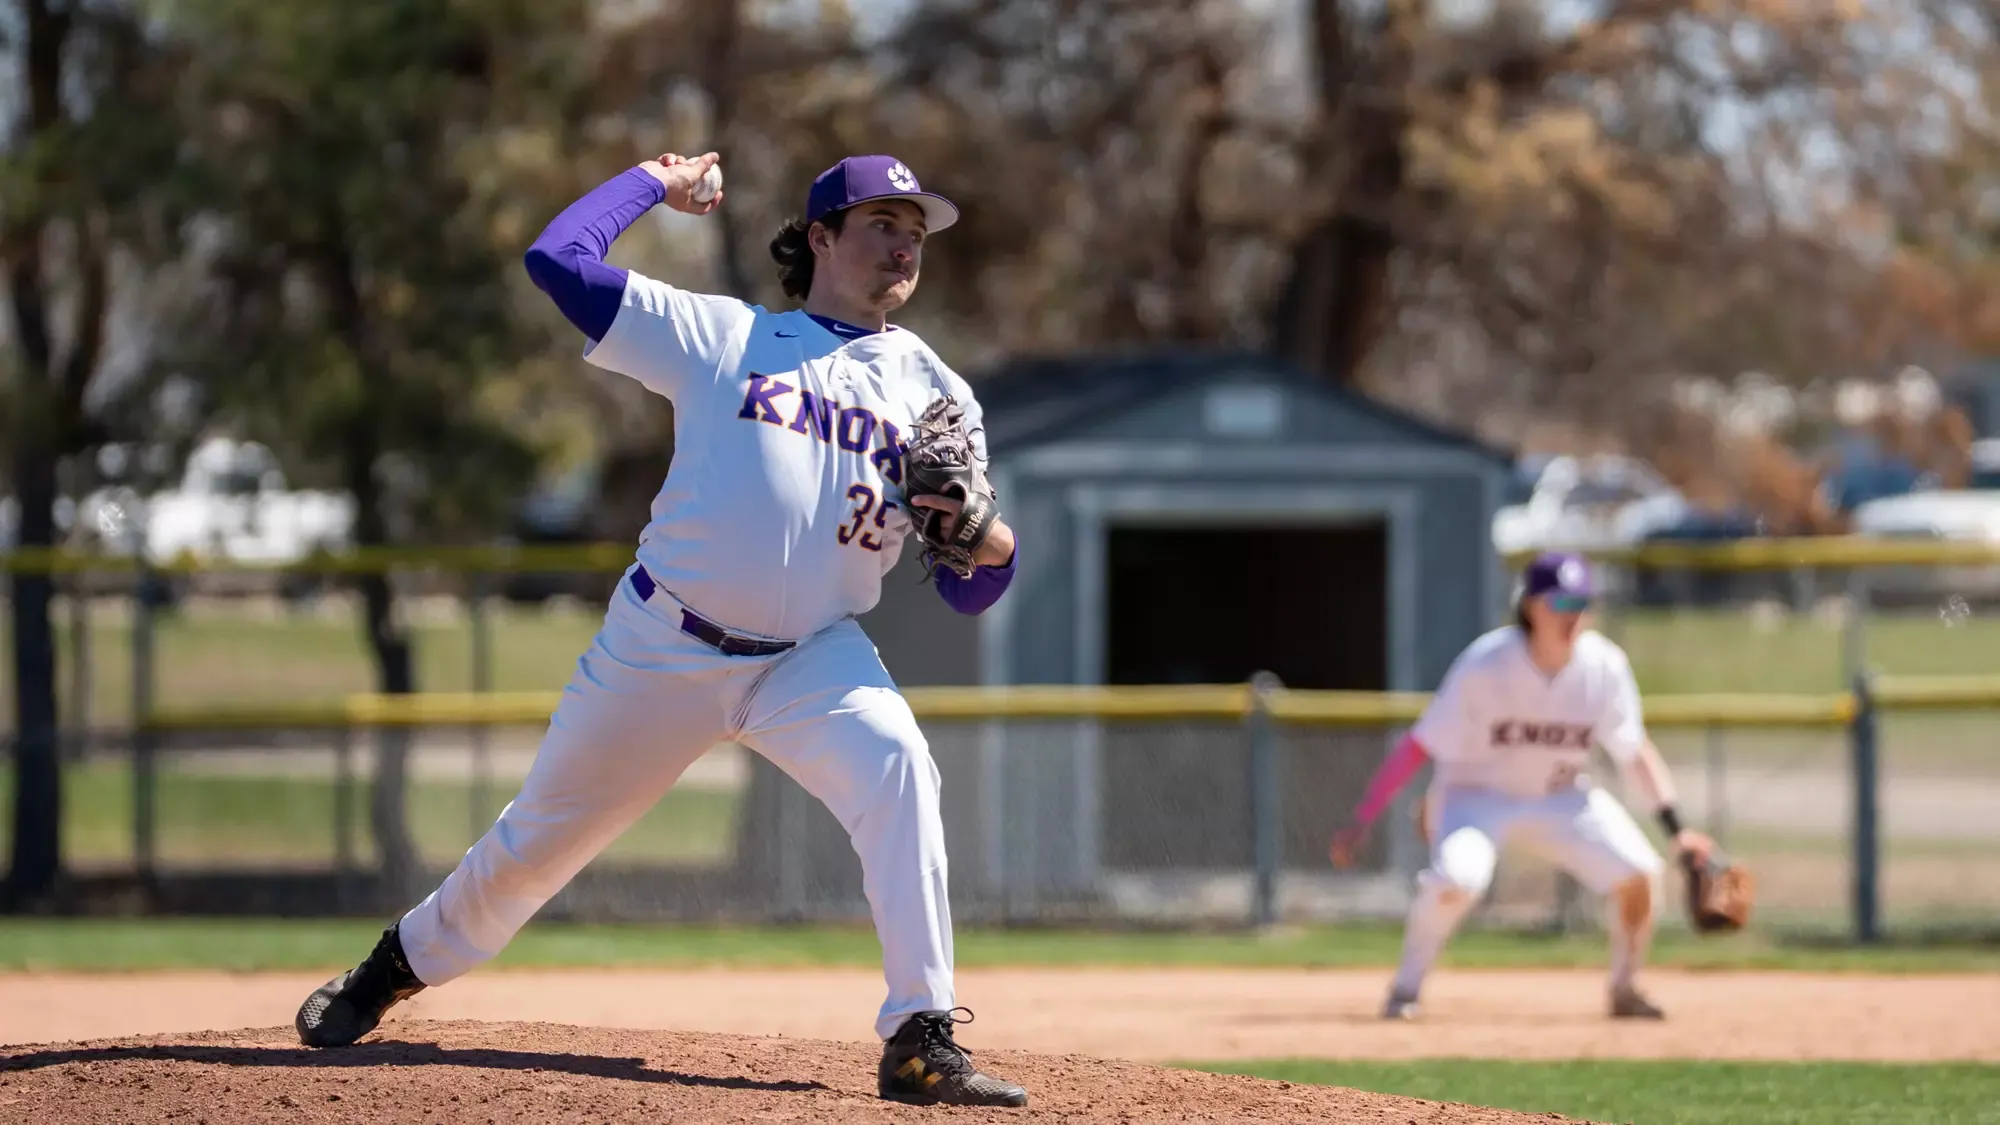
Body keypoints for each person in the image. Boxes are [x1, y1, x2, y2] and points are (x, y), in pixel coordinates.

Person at [292, 150, 1030, 1109]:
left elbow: (973, 591)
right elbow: (556, 260)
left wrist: (987, 536)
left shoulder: (938, 394)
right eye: (883, 223)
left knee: (899, 765)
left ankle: (920, 1036)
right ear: (820, 238)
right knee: (532, 849)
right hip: (664, 643)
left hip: (811, 654)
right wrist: (651, 182)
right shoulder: (723, 336)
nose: (904, 245)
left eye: (916, 231)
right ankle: (394, 967)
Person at [1329, 551, 1713, 1020]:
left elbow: (1633, 750)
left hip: (1561, 798)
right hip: (1476, 797)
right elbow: (1418, 745)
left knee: (1641, 873)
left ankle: (1625, 989)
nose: (1572, 614)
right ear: (1531, 606)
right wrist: (1364, 817)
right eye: (1560, 602)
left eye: (1582, 602)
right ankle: (1405, 990)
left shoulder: (1604, 667)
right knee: (1456, 880)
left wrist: (1678, 829)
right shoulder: (1486, 664)